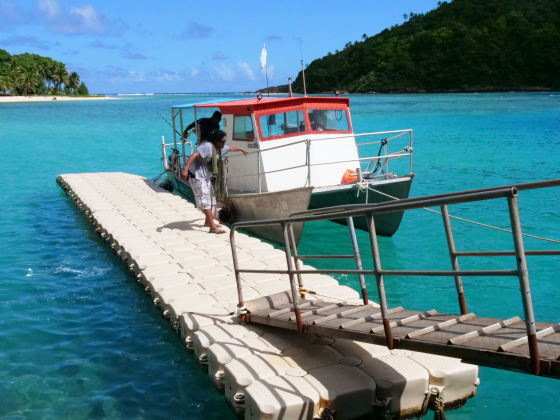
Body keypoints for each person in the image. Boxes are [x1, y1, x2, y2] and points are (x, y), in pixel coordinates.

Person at [180, 130, 248, 234]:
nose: (224, 144)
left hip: (206, 176)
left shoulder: (221, 148)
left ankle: (208, 222)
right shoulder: (207, 146)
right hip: (197, 176)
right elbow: (194, 155)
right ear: (216, 141)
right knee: (205, 199)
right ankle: (212, 227)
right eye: (222, 141)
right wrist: (185, 169)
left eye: (225, 141)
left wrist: (241, 149)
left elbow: (230, 148)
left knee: (212, 199)